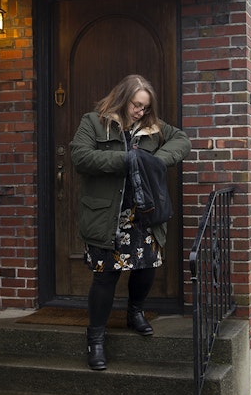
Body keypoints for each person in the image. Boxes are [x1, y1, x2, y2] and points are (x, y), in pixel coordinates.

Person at [69, 74, 191, 370]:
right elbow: (81, 157)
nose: (141, 112)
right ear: (123, 99)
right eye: (137, 105)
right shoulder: (94, 122)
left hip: (144, 214)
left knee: (146, 268)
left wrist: (155, 161)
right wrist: (127, 160)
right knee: (105, 277)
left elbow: (182, 140)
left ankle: (135, 312)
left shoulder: (153, 128)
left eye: (145, 107)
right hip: (107, 216)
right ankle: (95, 338)